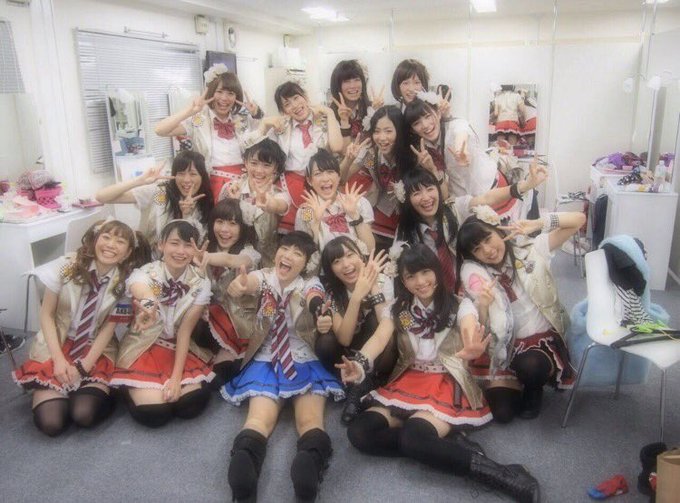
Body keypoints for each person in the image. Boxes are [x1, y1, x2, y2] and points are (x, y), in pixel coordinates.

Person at [340, 244, 540, 503]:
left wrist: (472, 346)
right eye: (411, 276)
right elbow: (379, 338)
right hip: (409, 379)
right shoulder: (398, 309)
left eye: (425, 272)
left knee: (413, 437)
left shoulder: (459, 305)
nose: (420, 282)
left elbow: (469, 327)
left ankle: (505, 475)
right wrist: (359, 363)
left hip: (446, 381)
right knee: (360, 432)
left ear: (436, 271)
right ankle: (442, 444)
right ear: (403, 280)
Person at [223, 231, 344, 502]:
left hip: (300, 357)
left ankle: (249, 466)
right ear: (276, 253)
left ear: (307, 263)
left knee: (259, 422)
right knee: (307, 422)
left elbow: (315, 299)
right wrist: (240, 284)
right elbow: (250, 282)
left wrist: (320, 314)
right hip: (269, 358)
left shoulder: (309, 283)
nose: (288, 255)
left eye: (297, 253)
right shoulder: (265, 277)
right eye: (285, 249)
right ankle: (307, 464)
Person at [12, 219, 150, 436]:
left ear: (127, 253)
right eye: (106, 237)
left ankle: (103, 391)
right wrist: (59, 360)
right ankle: (60, 387)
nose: (111, 244)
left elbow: (109, 328)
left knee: (83, 415)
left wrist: (84, 366)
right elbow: (47, 315)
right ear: (95, 240)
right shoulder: (66, 266)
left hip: (96, 348)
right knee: (51, 423)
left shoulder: (126, 282)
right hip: (58, 342)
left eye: (120, 241)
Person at [456, 208, 583, 421]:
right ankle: (514, 381)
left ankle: (534, 388)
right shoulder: (477, 277)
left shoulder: (532, 249)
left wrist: (538, 223)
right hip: (506, 347)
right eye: (477, 249)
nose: (487, 250)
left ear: (499, 230)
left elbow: (578, 220)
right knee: (502, 414)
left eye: (488, 239)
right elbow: (482, 329)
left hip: (541, 342)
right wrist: (483, 305)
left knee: (531, 367)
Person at [110, 220, 214, 428]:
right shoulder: (146, 273)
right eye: (174, 243)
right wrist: (150, 306)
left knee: (190, 407)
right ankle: (126, 388)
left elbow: (184, 332)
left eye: (188, 245)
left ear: (195, 250)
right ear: (161, 245)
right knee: (154, 414)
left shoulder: (201, 282)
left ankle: (162, 384)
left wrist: (176, 379)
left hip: (178, 347)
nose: (181, 251)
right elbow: (143, 291)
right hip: (144, 346)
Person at [396, 165, 547, 292]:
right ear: (407, 200)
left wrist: (525, 185)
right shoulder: (405, 232)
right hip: (435, 294)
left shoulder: (455, 209)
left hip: (474, 284)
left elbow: (487, 198)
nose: (426, 197)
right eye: (417, 193)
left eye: (430, 189)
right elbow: (403, 270)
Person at [316, 236, 397, 424]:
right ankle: (354, 383)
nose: (346, 264)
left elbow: (386, 326)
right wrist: (356, 297)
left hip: (378, 351)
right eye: (337, 261)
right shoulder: (332, 293)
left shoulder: (383, 280)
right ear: (331, 270)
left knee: (375, 320)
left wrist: (372, 285)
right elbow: (344, 339)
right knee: (324, 343)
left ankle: (364, 385)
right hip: (348, 351)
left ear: (361, 257)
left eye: (350, 255)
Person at [154, 64, 264, 199]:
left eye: (230, 93)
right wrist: (190, 111)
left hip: (242, 184)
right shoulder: (199, 120)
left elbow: (267, 134)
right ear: (211, 93)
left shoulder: (242, 119)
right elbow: (160, 130)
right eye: (219, 92)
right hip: (210, 184)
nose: (224, 98)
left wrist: (256, 113)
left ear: (236, 97)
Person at [246, 81, 343, 232]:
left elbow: (337, 147)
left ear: (305, 96)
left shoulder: (324, 120)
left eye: (296, 98)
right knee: (295, 232)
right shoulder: (281, 128)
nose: (295, 105)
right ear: (283, 111)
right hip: (290, 186)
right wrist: (263, 124)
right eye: (287, 104)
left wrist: (330, 113)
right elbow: (253, 148)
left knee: (318, 228)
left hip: (320, 183)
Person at [191, 199, 261, 388]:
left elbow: (230, 260)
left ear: (243, 227)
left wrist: (204, 257)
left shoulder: (250, 252)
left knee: (222, 375)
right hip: (206, 318)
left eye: (232, 223)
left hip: (238, 321)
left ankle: (225, 358)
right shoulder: (204, 246)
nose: (224, 229)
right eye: (220, 222)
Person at [404, 98, 513, 212]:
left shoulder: (455, 125)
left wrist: (461, 150)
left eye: (427, 116)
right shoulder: (424, 149)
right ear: (412, 130)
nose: (425, 125)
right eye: (417, 123)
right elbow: (444, 193)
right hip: (464, 200)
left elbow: (461, 133)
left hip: (492, 188)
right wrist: (432, 169)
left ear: (438, 113)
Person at [95, 150, 213, 253]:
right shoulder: (160, 193)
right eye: (181, 174)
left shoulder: (205, 203)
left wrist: (185, 215)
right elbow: (102, 197)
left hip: (180, 262)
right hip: (145, 258)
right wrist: (139, 181)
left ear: (203, 177)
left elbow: (190, 245)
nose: (186, 179)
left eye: (193, 174)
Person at [340, 105, 409, 249]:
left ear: (400, 131)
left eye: (388, 131)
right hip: (381, 215)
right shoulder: (372, 156)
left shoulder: (412, 156)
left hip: (408, 217)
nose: (382, 138)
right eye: (377, 131)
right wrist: (348, 160)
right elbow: (341, 179)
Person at [219, 138, 290, 267]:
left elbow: (280, 205)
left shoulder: (280, 194)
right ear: (245, 162)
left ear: (276, 168)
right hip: (231, 259)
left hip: (266, 263)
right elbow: (220, 222)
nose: (259, 170)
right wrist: (234, 202)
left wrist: (269, 205)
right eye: (254, 163)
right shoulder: (230, 188)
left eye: (266, 165)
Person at [296, 149, 375, 253]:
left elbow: (370, 249)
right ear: (309, 181)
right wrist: (315, 222)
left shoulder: (359, 203)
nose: (325, 179)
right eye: (318, 173)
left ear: (339, 176)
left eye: (330, 172)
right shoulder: (306, 211)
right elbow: (304, 253)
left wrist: (354, 215)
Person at [328, 59, 384, 148]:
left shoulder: (371, 108)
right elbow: (342, 151)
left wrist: (378, 113)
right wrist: (344, 121)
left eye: (357, 80)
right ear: (338, 86)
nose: (353, 86)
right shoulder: (331, 115)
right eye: (346, 81)